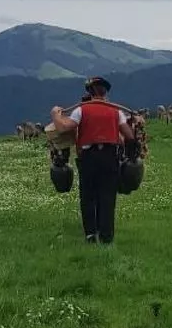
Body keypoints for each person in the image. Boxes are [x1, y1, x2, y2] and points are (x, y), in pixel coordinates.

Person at [50, 77, 129, 244]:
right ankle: (106, 236)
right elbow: (128, 135)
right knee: (107, 197)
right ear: (105, 92)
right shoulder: (117, 111)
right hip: (110, 157)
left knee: (88, 196)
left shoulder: (81, 110)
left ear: (89, 92)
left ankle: (91, 235)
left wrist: (55, 115)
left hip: (88, 158)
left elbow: (63, 127)